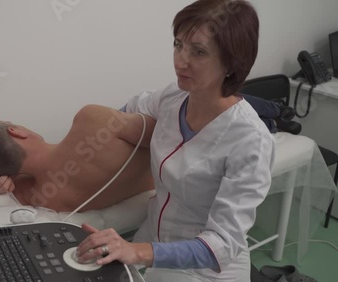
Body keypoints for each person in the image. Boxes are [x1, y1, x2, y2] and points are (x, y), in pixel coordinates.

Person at [75, 1, 275, 281]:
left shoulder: (250, 140)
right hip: (155, 237)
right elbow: (120, 114)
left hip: (207, 266)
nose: (180, 61)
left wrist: (138, 251)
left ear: (232, 63)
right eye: (178, 44)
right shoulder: (174, 98)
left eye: (198, 51)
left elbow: (222, 244)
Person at [0, 104, 157, 212]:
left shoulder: (37, 196)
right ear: (15, 131)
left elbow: (7, 186)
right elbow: (167, 134)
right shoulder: (91, 120)